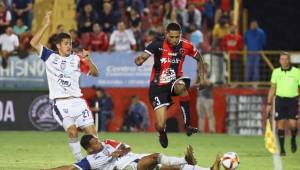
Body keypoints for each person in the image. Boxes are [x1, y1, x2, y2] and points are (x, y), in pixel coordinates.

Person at [30, 11, 99, 161]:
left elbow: (95, 73)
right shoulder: (50, 57)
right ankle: (80, 162)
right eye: (66, 44)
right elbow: (33, 43)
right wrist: (45, 25)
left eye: (71, 44)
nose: (69, 46)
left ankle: (98, 161)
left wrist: (89, 60)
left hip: (78, 102)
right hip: (61, 103)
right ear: (58, 46)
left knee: (93, 135)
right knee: (73, 131)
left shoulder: (77, 59)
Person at [134, 22, 205, 148]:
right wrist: (139, 60)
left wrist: (201, 78)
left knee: (182, 87)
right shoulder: (157, 43)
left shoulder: (186, 45)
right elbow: (143, 57)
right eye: (171, 37)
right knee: (160, 125)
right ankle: (162, 133)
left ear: (180, 35)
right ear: (166, 34)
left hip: (174, 81)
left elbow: (199, 58)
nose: (174, 40)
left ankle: (187, 125)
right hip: (158, 86)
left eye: (177, 37)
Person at [49, 134, 221, 170]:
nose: (99, 143)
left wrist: (120, 151)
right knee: (155, 157)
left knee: (173, 168)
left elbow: (128, 147)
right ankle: (185, 159)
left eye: (97, 140)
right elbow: (72, 168)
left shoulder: (108, 142)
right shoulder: (91, 160)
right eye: (95, 143)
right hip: (125, 168)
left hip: (134, 158)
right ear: (90, 148)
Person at [266, 52, 300, 156]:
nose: (284, 61)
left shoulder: (297, 72)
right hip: (280, 100)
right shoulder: (276, 72)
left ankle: (293, 138)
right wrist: (269, 103)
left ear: (289, 60)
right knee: (280, 124)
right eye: (282, 59)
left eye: (286, 59)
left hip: (293, 100)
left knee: (293, 124)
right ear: (279, 60)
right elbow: (272, 88)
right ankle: (282, 149)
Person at [196, 63, 216, 133]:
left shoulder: (211, 75)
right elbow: (197, 85)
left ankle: (212, 129)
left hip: (208, 98)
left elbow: (209, 83)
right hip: (200, 97)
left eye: (204, 67)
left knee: (210, 115)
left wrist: (203, 80)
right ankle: (201, 130)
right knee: (201, 115)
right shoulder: (200, 75)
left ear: (207, 68)